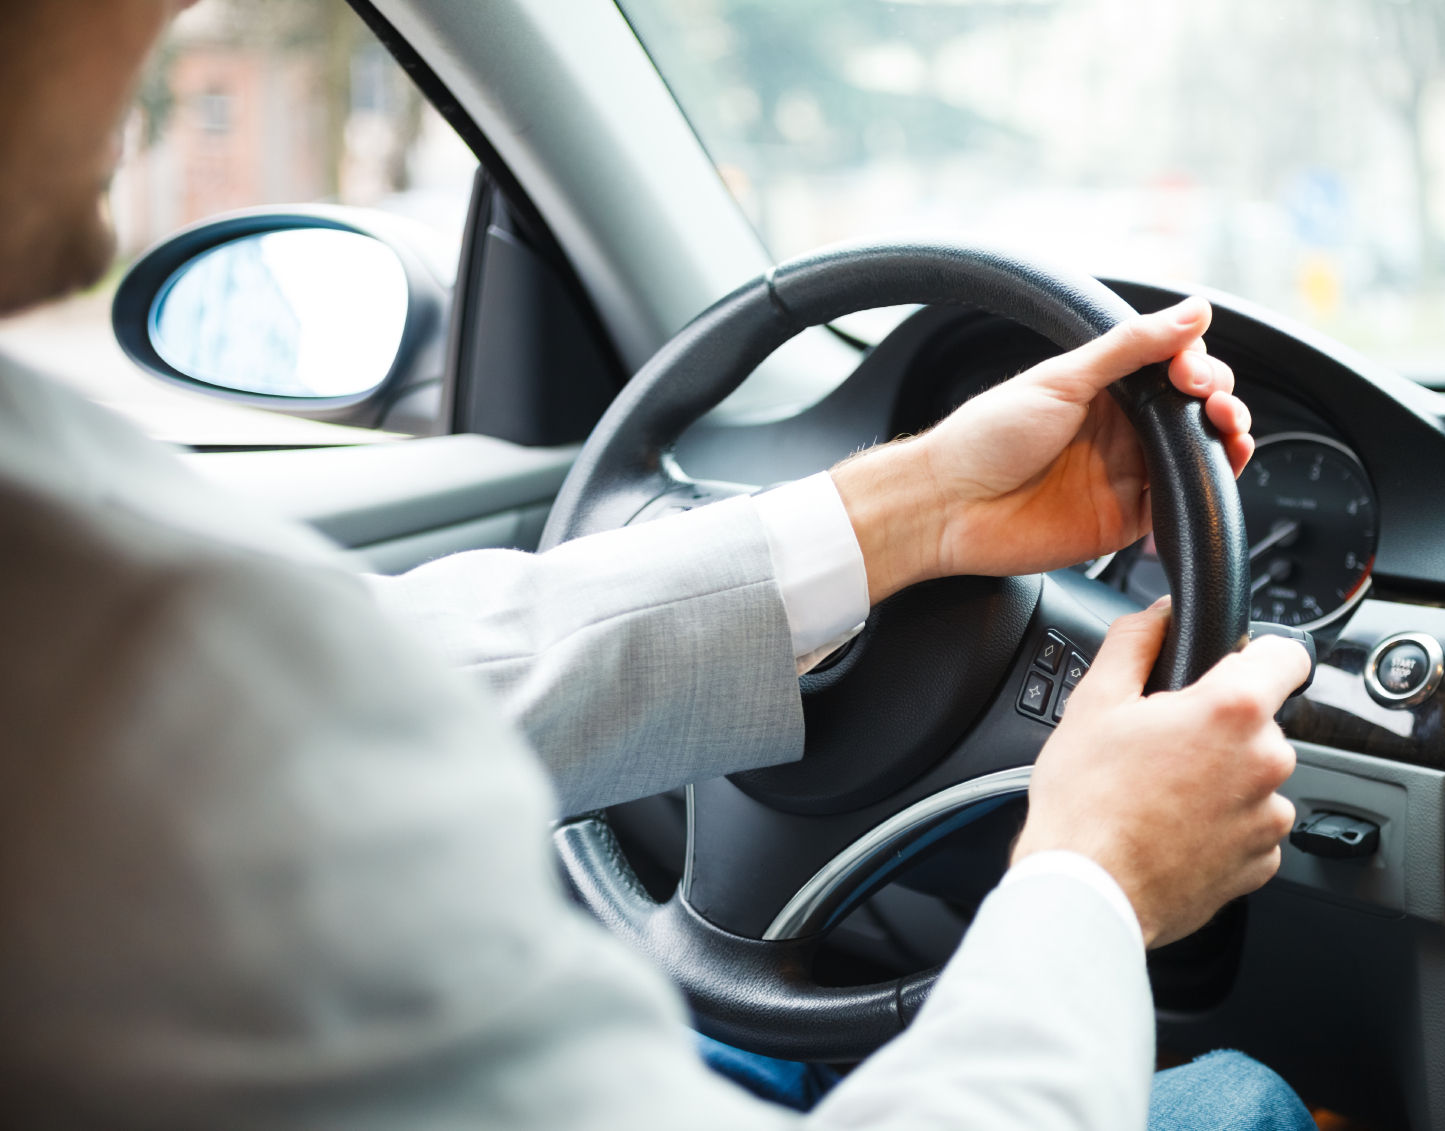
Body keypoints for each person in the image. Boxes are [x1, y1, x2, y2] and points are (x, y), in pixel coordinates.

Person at [0, 2, 1316, 1128]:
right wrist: (1093, 874)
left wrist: (915, 511)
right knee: (1238, 1099)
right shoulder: (103, 645)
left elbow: (312, 703)